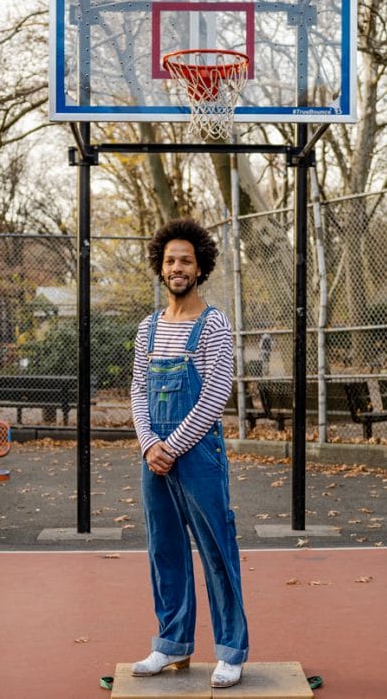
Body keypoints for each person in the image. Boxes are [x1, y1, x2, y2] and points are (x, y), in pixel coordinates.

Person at [129, 217, 249, 689]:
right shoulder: (149, 326)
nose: (177, 267)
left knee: (217, 550)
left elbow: (215, 395)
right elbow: (138, 387)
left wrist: (171, 446)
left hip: (197, 455)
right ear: (161, 267)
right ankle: (171, 644)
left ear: (200, 269)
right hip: (153, 454)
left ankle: (231, 650)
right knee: (166, 550)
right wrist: (147, 444)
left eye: (186, 261)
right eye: (170, 260)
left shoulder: (214, 324)